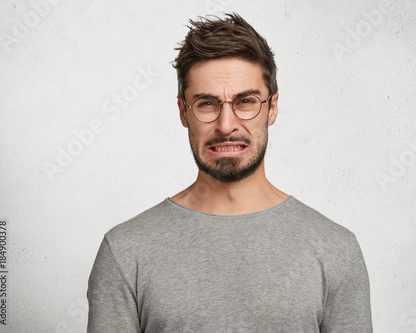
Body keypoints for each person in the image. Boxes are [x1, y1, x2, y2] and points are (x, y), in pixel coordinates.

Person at [87, 13, 372, 333]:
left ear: (272, 107)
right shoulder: (125, 251)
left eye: (246, 101)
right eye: (207, 103)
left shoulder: (336, 249)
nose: (226, 125)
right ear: (183, 111)